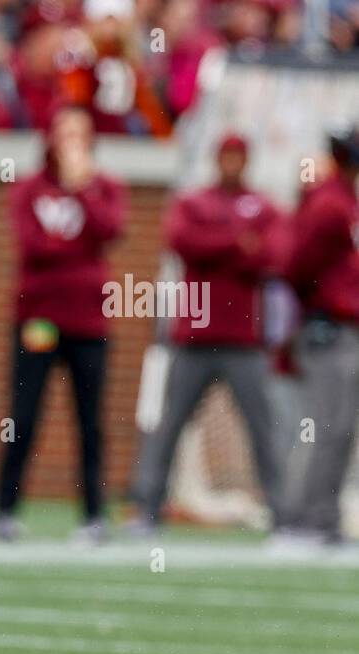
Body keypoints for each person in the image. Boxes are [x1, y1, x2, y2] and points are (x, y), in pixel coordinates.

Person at [131, 134, 285, 532]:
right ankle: (147, 508)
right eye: (227, 156)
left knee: (262, 426)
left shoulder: (262, 204)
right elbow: (183, 241)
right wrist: (238, 241)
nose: (232, 163)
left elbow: (275, 253)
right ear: (217, 159)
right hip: (194, 335)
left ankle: (284, 514)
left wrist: (222, 243)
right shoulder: (194, 202)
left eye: (239, 156)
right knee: (170, 424)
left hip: (245, 340)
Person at [0, 104, 127, 543]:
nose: (72, 141)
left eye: (80, 133)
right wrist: (71, 245)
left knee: (90, 422)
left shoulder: (105, 187)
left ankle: (93, 516)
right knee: (25, 414)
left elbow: (111, 231)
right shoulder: (30, 189)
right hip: (39, 320)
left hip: (89, 322)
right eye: (64, 131)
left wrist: (83, 190)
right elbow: (34, 246)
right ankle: (6, 510)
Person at [279, 127, 359, 544]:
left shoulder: (343, 201)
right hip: (330, 328)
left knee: (338, 428)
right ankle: (301, 521)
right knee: (324, 427)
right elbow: (295, 265)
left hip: (343, 329)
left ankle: (321, 519)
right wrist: (321, 307)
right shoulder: (330, 204)